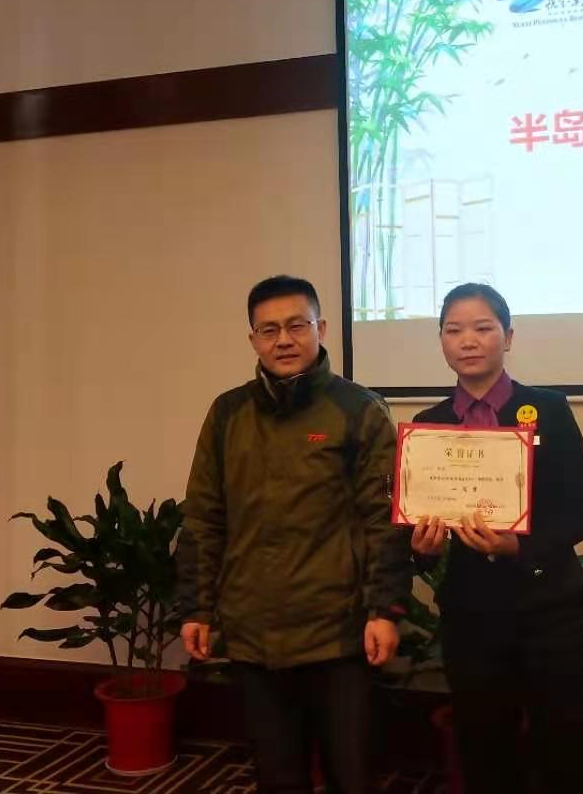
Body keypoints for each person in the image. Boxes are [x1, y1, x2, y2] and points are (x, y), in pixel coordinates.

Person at [177, 275, 409, 794]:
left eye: (297, 326)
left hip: (338, 632)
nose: (284, 340)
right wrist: (197, 607)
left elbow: (385, 520)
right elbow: (204, 516)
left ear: (321, 329)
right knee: (277, 776)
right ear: (253, 339)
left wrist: (385, 610)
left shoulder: (358, 410)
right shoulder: (228, 413)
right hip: (253, 632)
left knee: (352, 776)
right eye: (269, 330)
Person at [410, 283, 583, 794]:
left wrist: (517, 546)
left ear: (508, 337)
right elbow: (417, 532)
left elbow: (581, 512)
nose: (468, 340)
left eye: (482, 328)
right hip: (472, 618)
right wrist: (423, 549)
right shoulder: (428, 426)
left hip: (551, 612)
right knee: (485, 749)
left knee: (566, 748)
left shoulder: (548, 410)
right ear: (442, 341)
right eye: (453, 330)